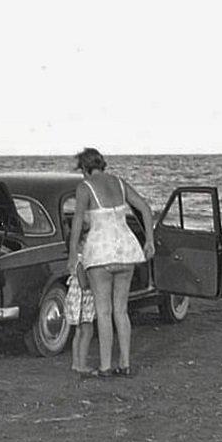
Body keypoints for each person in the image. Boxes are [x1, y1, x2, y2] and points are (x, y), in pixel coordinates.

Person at [67, 148, 155, 377]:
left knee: (103, 312)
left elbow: (77, 221)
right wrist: (149, 241)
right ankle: (124, 363)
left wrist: (72, 252)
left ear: (85, 169)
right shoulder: (119, 182)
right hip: (126, 249)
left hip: (100, 252)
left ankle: (106, 366)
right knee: (121, 311)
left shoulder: (85, 187)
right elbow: (145, 208)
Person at [65, 230, 95, 375]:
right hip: (83, 298)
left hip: (74, 298)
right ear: (79, 244)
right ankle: (82, 364)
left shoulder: (73, 260)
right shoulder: (81, 261)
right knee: (87, 331)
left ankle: (76, 363)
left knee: (78, 332)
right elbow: (84, 284)